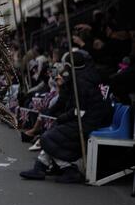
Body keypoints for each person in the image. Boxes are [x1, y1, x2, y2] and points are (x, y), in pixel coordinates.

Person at [20, 50, 113, 183]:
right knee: (51, 133)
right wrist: (63, 85)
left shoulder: (82, 82)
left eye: (65, 65)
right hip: (84, 119)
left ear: (69, 66)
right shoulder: (77, 79)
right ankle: (40, 167)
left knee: (48, 137)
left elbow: (79, 110)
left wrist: (62, 118)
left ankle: (69, 170)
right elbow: (65, 101)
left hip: (87, 122)